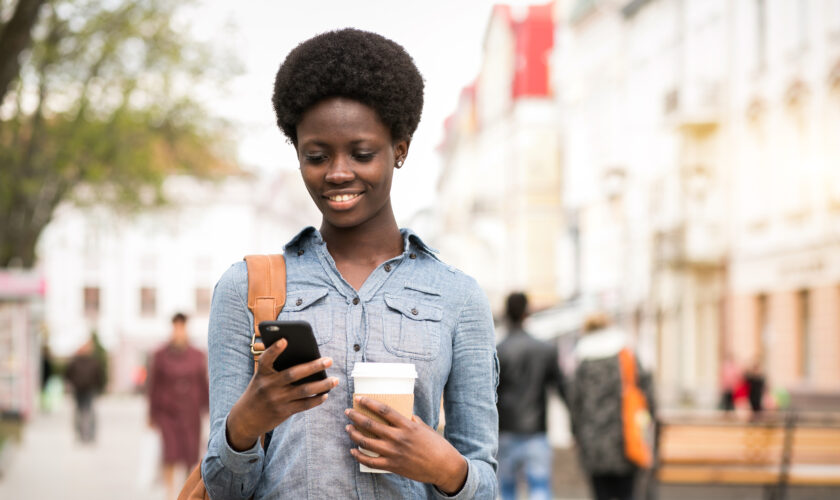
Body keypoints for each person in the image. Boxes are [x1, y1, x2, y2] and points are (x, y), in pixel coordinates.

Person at [200, 28, 498, 499]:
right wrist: (245, 424)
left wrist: (446, 468)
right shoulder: (247, 289)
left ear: (400, 149)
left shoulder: (458, 297)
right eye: (316, 156)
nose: (338, 172)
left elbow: (485, 482)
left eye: (362, 153)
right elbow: (222, 488)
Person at [568, 313, 655, 500]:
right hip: (626, 438)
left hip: (593, 442)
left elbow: (575, 402)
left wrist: (575, 434)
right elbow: (646, 392)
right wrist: (648, 423)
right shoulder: (626, 355)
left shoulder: (583, 359)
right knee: (627, 493)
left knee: (601, 494)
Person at [496, 292, 566, 500]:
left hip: (505, 431)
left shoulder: (499, 351)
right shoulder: (545, 350)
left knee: (506, 489)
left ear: (506, 314)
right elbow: (562, 388)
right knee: (540, 487)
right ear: (527, 313)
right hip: (536, 431)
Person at [148, 312, 209, 500]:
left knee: (191, 454)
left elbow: (203, 382)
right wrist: (151, 415)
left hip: (191, 413)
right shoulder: (160, 355)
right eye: (176, 327)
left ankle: (186, 491)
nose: (178, 332)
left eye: (182, 327)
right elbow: (153, 385)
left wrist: (208, 409)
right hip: (168, 412)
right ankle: (169, 493)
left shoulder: (197, 355)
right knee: (170, 453)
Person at [64, 337, 105, 443]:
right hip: (81, 389)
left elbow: (98, 375)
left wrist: (99, 387)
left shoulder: (84, 361)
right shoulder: (83, 361)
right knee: (82, 412)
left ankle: (88, 435)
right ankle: (82, 434)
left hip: (87, 389)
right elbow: (68, 374)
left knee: (86, 412)